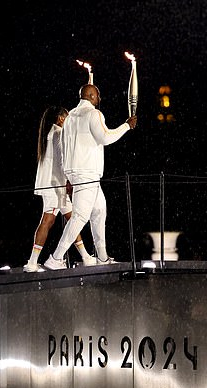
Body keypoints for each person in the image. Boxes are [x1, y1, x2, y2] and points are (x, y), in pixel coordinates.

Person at [44, 84, 137, 270]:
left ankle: (102, 258)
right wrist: (127, 125)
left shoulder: (69, 117)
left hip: (78, 173)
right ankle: (55, 258)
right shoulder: (94, 114)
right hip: (87, 174)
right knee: (80, 217)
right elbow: (105, 137)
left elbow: (63, 146)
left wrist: (68, 173)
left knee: (99, 211)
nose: (100, 99)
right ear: (92, 96)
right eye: (98, 95)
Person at [23, 105, 94, 272]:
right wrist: (70, 180)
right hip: (54, 186)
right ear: (61, 119)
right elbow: (63, 161)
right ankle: (32, 262)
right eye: (67, 117)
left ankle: (85, 256)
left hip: (55, 185)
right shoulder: (58, 133)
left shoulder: (51, 133)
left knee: (73, 219)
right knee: (48, 220)